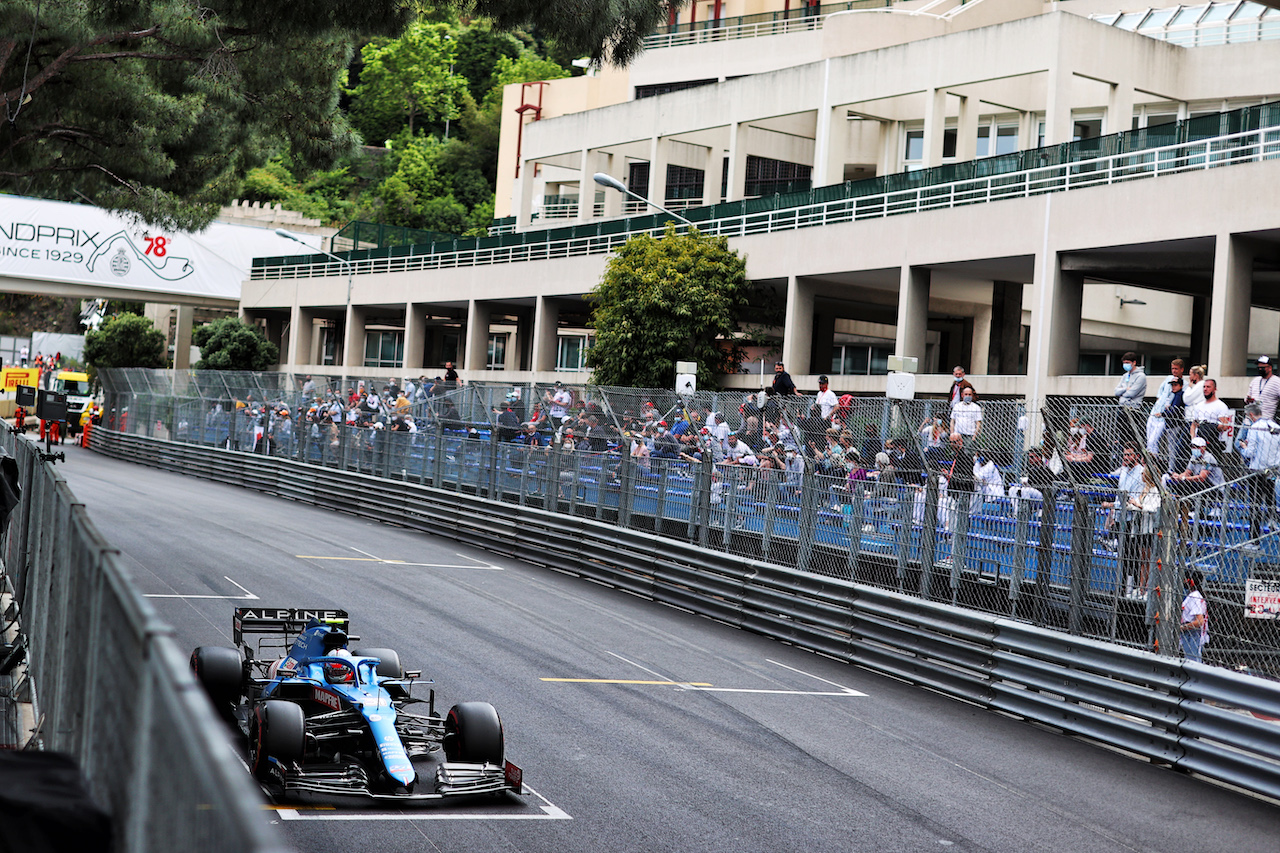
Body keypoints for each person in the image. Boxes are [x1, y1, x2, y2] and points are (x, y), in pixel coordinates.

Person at [1237, 402, 1280, 538]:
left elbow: (1250, 453)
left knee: (1254, 503)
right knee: (1270, 497)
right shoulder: (1276, 426)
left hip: (1257, 469)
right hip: (1273, 468)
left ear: (1250, 415)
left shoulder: (1254, 427)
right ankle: (1272, 520)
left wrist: (1243, 446)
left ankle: (1254, 539)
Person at [1180, 569, 1209, 663]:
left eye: (1185, 579)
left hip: (1191, 632)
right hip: (1190, 632)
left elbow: (1199, 621)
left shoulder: (1194, 596)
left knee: (1192, 661)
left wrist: (1182, 627)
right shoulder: (1194, 595)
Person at [1246, 355, 1280, 421]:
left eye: (1262, 367)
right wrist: (1249, 399)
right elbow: (1247, 397)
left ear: (1270, 368)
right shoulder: (1255, 380)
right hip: (1249, 420)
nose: (1260, 369)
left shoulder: (1277, 382)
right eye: (1258, 367)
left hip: (1265, 420)